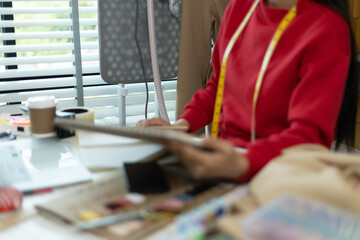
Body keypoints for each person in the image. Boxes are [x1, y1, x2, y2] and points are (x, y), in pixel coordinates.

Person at [138, 0, 359, 182]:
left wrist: (241, 163)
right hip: (222, 164)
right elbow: (219, 86)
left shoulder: (326, 29)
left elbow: (308, 137)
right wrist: (181, 126)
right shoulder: (239, 8)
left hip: (277, 175)